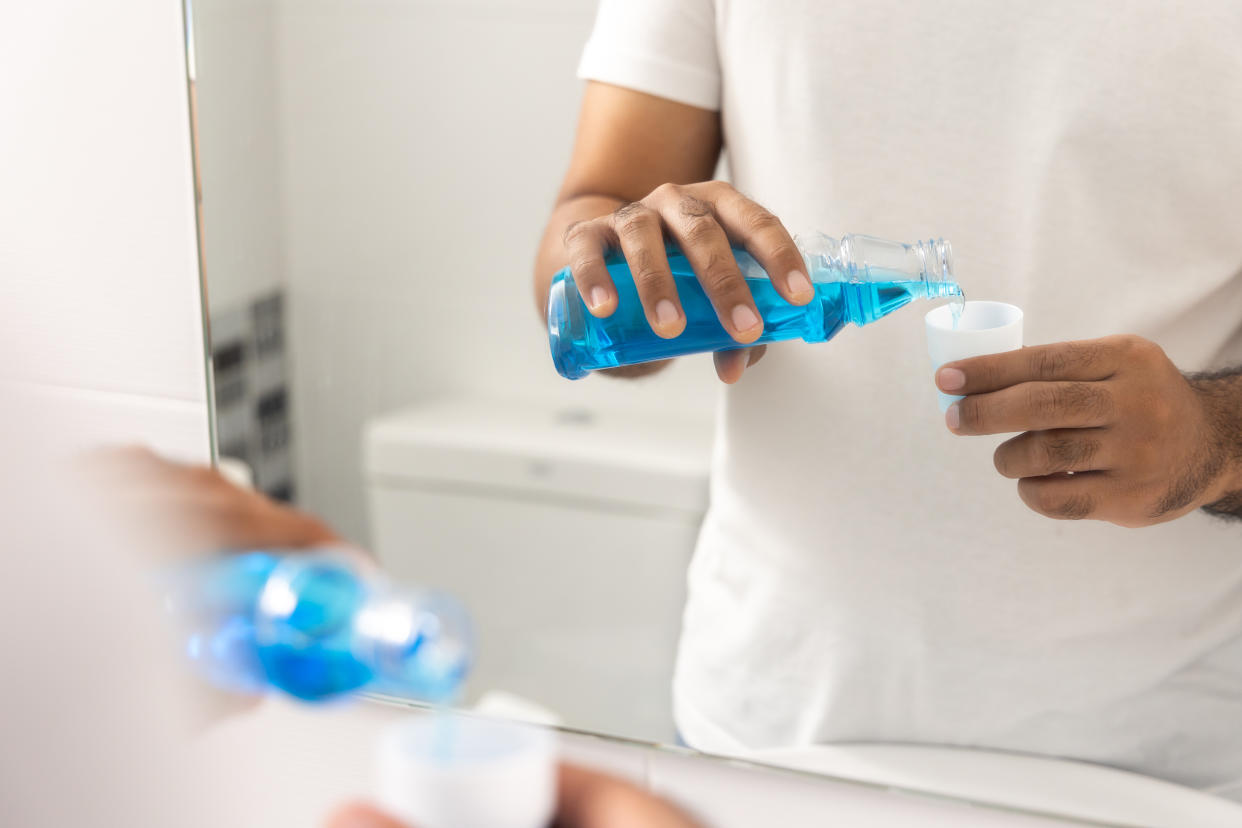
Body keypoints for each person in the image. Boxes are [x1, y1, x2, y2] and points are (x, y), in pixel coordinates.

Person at [533, 0, 1242, 799]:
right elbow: (591, 211)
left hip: (1157, 763)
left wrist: (1215, 439)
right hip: (773, 729)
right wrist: (626, 258)